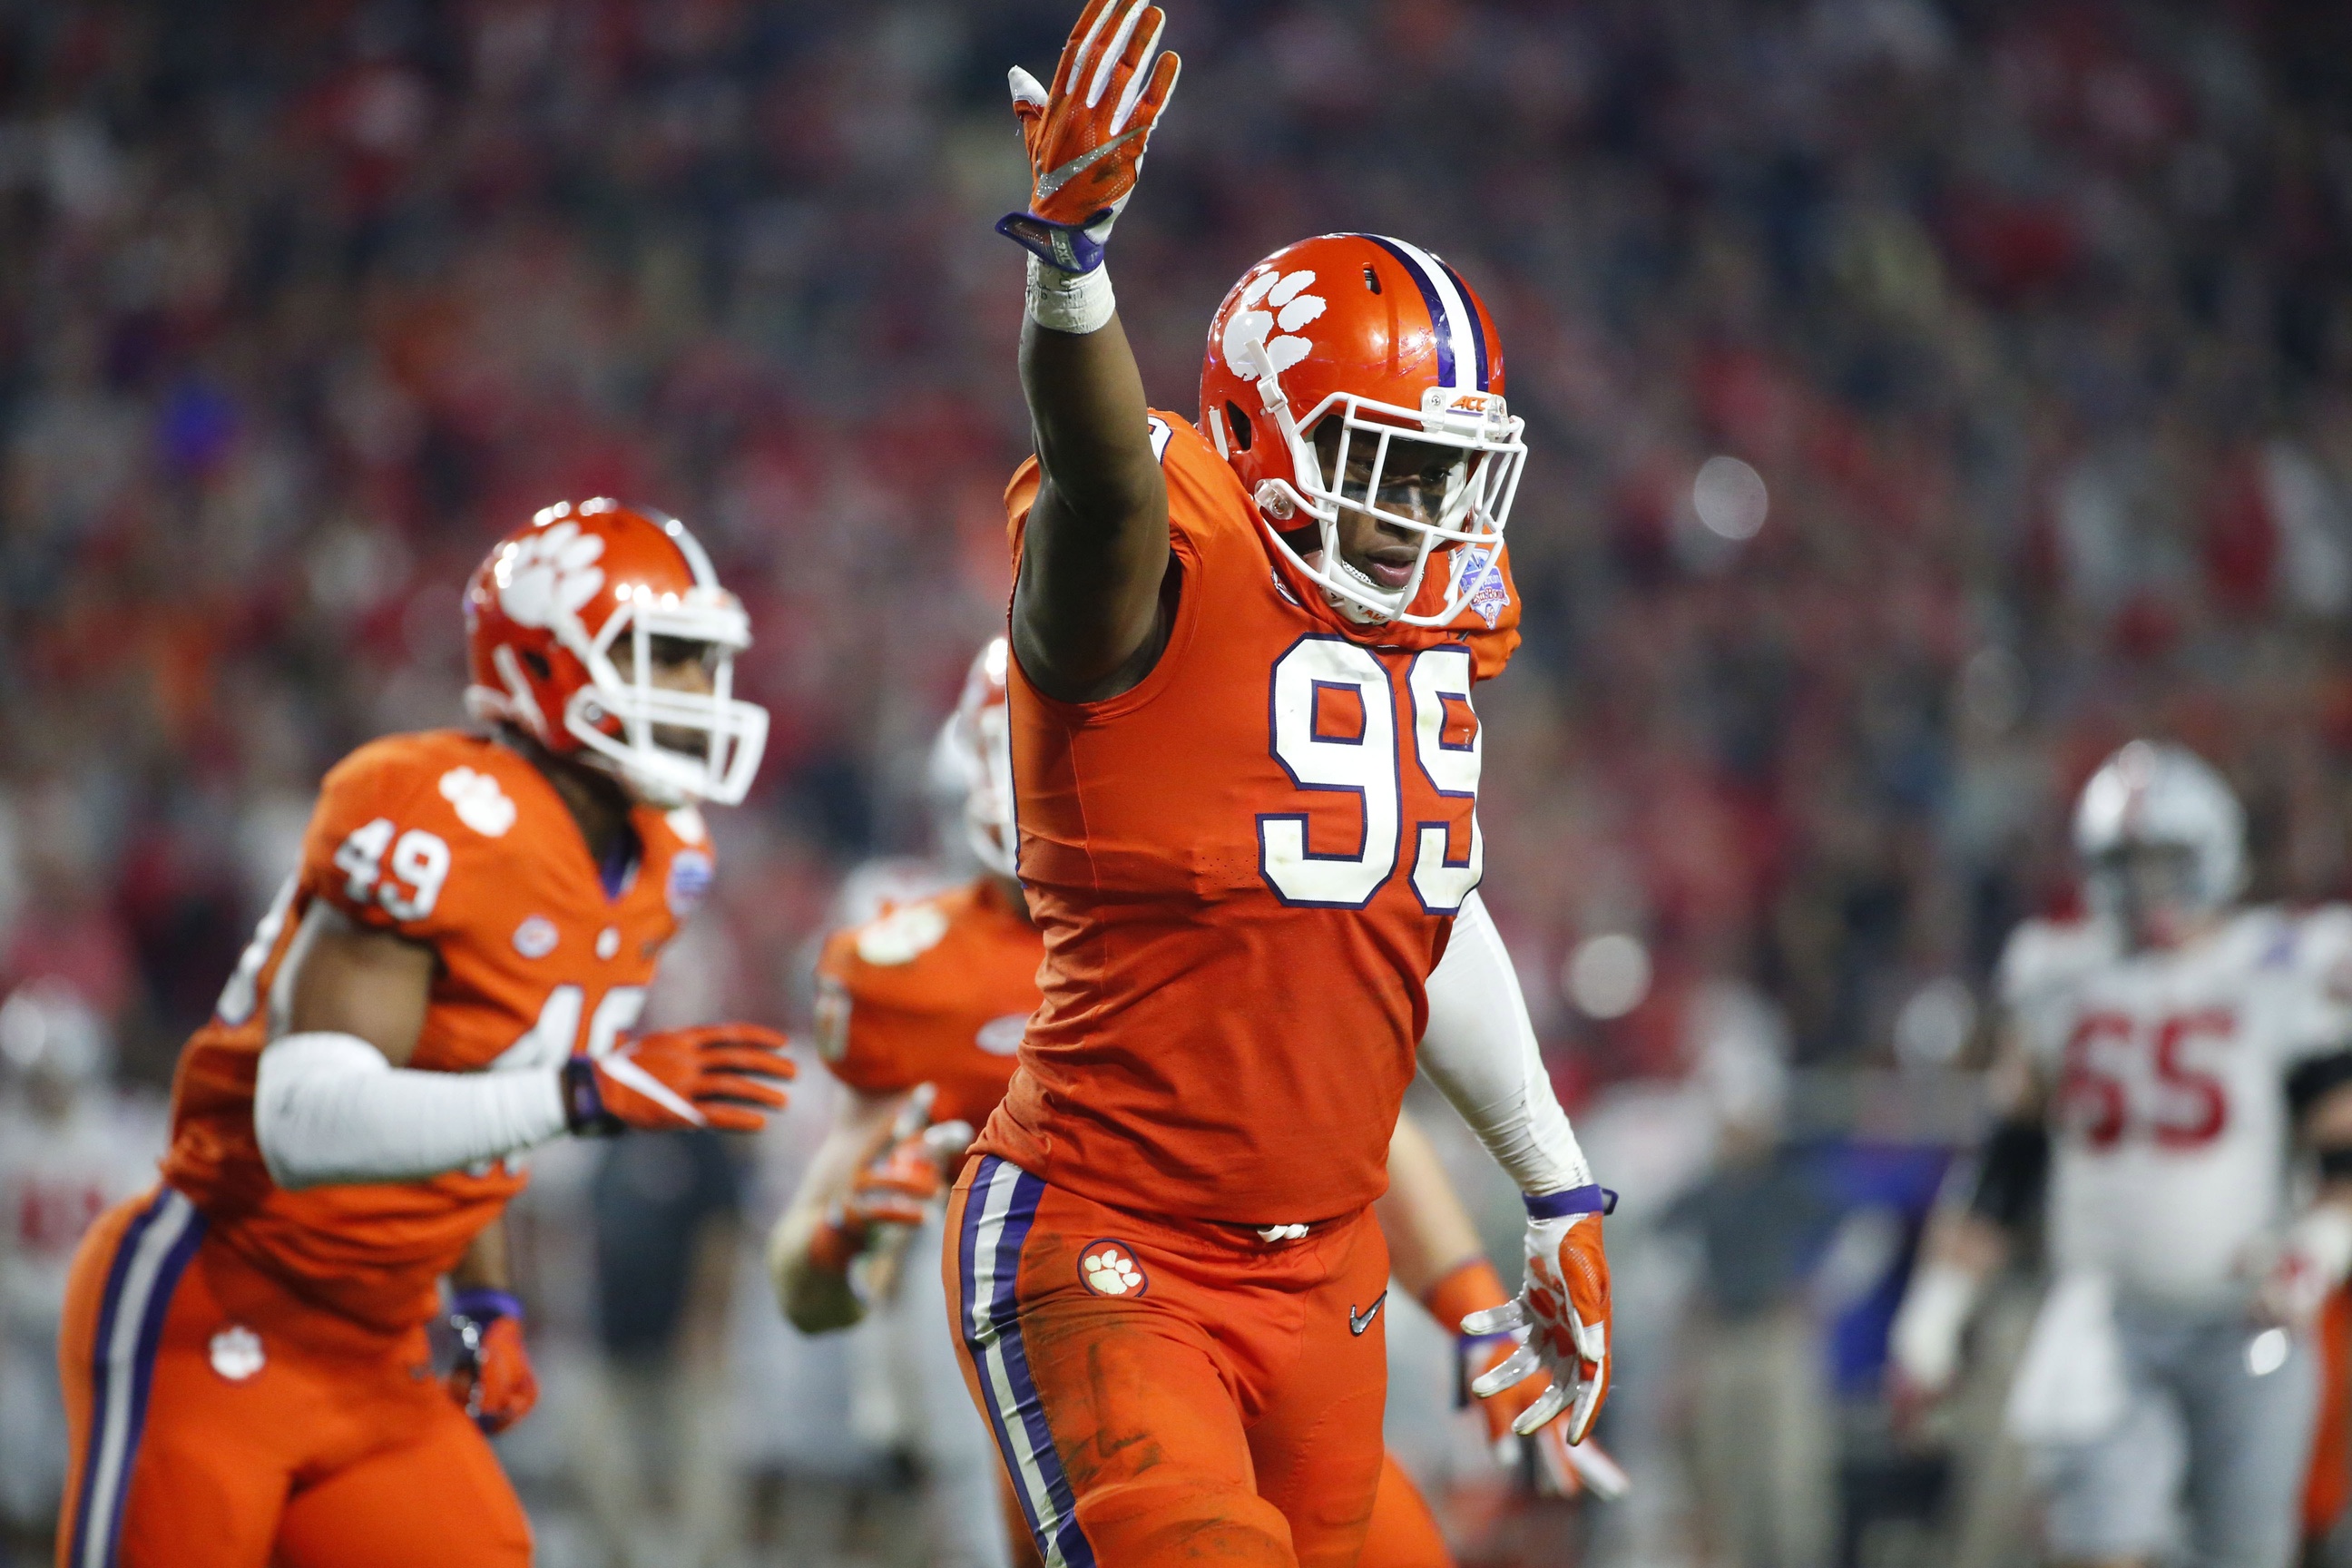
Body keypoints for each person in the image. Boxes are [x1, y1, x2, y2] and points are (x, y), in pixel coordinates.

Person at [946, 6, 1615, 1562]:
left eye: (1447, 468)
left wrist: (1556, 1184)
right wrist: (1074, 266)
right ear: (1250, 432)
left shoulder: (1443, 610)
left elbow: (1418, 903)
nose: (1420, 512)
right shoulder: (1163, 545)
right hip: (1112, 1238)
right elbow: (1105, 475)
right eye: (1379, 461)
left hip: (1327, 1272)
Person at [52, 499, 797, 1568]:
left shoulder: (665, 859)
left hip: (382, 1349)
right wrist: (583, 1093)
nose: (697, 694)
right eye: (666, 658)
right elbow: (305, 1118)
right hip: (223, 1305)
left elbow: (469, 1096)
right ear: (547, 664)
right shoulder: (428, 809)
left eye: (703, 662)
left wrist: (483, 1295)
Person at [770, 644, 1616, 1568]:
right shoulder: (920, 976)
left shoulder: (1231, 898)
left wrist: (1474, 1309)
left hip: (1281, 1342)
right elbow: (806, 1285)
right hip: (1105, 1350)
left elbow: (1359, 1123)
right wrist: (838, 1241)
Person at [1889, 740, 2352, 1568]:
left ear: (2217, 850)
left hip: (2246, 1315)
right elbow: (2004, 1168)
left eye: (2166, 860)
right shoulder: (2058, 973)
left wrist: (2316, 1251)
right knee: (2096, 1547)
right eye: (2126, 863)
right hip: (2104, 1313)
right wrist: (1938, 1310)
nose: (2148, 889)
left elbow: (2344, 1150)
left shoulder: (2281, 964)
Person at [0, 981, 164, 1552]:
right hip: (17, 1331)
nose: (51, 1089)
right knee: (19, 1466)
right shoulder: (10, 1137)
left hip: (93, 1325)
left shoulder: (125, 1132)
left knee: (92, 1463)